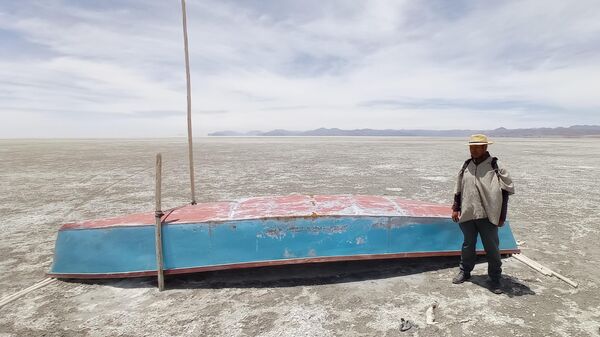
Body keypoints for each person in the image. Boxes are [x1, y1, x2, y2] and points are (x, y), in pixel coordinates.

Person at [451, 134, 514, 294]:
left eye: (476, 147)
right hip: (468, 213)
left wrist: (501, 216)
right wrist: (455, 208)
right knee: (468, 245)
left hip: (488, 215)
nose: (473, 150)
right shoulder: (466, 165)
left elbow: (505, 192)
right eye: (471, 147)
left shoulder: (495, 166)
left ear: (485, 148)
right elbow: (458, 188)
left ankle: (495, 278)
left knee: (492, 248)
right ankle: (464, 271)